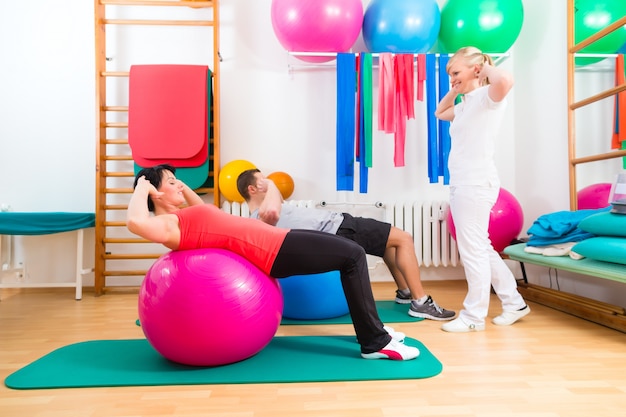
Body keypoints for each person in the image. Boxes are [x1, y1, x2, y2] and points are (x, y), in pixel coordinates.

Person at [127, 164, 419, 360]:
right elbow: (135, 221)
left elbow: (202, 208)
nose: (180, 185)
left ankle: (373, 330)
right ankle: (374, 342)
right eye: (171, 182)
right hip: (272, 249)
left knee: (351, 253)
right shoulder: (167, 223)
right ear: (155, 192)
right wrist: (142, 185)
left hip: (275, 241)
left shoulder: (185, 216)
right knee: (353, 255)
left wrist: (172, 183)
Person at [236, 168, 455, 321]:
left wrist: (268, 184)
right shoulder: (261, 215)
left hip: (340, 224)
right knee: (404, 238)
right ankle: (420, 303)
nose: (268, 182)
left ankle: (406, 292)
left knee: (390, 242)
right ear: (252, 190)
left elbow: (278, 203)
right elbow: (274, 208)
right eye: (261, 181)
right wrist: (272, 183)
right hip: (339, 228)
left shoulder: (267, 208)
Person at [434, 46, 530, 332]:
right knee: (482, 249)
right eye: (450, 73)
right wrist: (455, 88)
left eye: (455, 71)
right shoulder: (466, 104)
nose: (452, 77)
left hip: (475, 184)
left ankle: (473, 317)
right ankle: (514, 303)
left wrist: (484, 69)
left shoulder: (488, 99)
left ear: (475, 69)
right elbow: (440, 113)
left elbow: (506, 81)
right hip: (465, 183)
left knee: (473, 251)